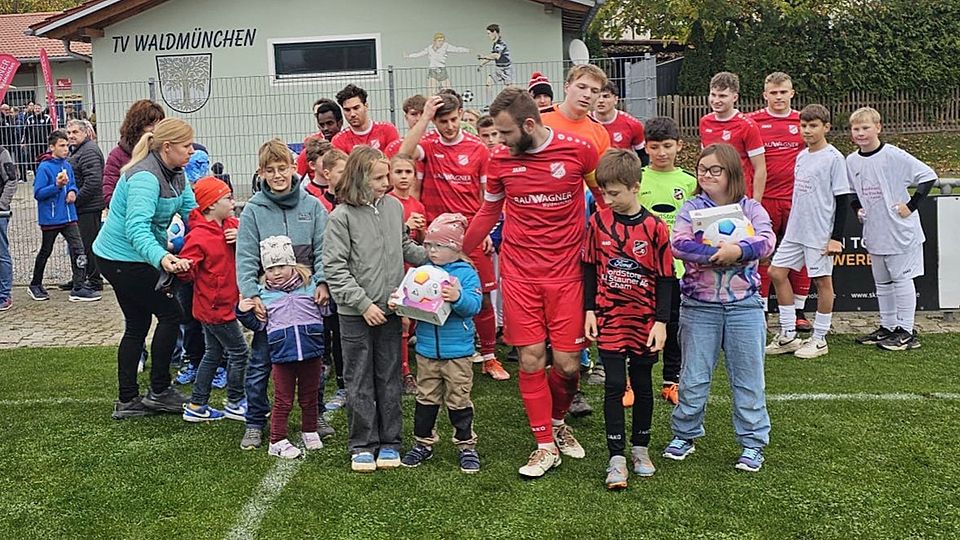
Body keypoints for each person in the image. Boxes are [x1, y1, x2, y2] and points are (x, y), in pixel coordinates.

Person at [462, 87, 603, 478]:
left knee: (569, 365)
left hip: (569, 273)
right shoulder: (499, 162)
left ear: (529, 125)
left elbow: (604, 201)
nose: (499, 142)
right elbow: (489, 210)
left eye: (505, 134)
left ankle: (558, 423)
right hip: (521, 274)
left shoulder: (579, 150)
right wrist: (460, 250)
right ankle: (543, 444)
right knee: (529, 359)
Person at [663, 143, 775, 473]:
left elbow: (766, 241)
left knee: (749, 380)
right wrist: (716, 253)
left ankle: (753, 443)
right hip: (699, 307)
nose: (707, 175)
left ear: (732, 174)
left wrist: (738, 251)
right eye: (702, 169)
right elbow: (679, 243)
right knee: (694, 378)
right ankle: (685, 434)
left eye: (715, 170)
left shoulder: (751, 208)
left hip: (745, 308)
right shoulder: (690, 208)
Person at [323, 146, 427, 473]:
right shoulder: (341, 217)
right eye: (380, 177)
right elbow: (335, 269)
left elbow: (404, 246)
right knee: (358, 379)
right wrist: (363, 303)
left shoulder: (395, 208)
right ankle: (362, 444)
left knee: (389, 377)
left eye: (387, 176)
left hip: (391, 310)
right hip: (355, 314)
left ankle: (391, 442)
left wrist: (438, 255)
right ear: (360, 178)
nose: (388, 183)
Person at [93, 118, 198, 419]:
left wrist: (223, 230)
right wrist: (162, 258)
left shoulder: (178, 173)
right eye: (186, 146)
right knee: (170, 315)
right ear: (167, 147)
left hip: (136, 257)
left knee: (137, 325)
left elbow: (193, 214)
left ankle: (128, 401)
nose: (192, 151)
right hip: (120, 259)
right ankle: (160, 392)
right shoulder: (145, 177)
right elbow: (135, 228)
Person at [399, 93, 507, 381]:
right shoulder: (429, 145)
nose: (449, 126)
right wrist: (424, 118)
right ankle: (430, 353)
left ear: (461, 114)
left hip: (471, 236)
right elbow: (402, 154)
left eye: (454, 119)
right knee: (429, 294)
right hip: (435, 239)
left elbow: (487, 198)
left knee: (481, 297)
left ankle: (488, 356)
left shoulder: (477, 149)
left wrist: (484, 232)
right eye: (442, 121)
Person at [583, 149, 674, 489]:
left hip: (644, 320)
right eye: (604, 192)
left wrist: (661, 322)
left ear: (635, 187)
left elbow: (667, 278)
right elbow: (589, 266)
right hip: (609, 318)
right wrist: (589, 309)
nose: (608, 199)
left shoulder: (654, 228)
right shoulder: (599, 222)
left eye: (615, 193)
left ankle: (640, 448)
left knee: (643, 384)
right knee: (614, 386)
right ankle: (616, 456)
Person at [236, 138, 330, 450]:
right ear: (261, 173)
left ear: (294, 168)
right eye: (270, 170)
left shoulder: (313, 206)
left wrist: (322, 282)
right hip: (271, 302)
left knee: (312, 357)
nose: (277, 175)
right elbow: (246, 257)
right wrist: (253, 295)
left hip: (306, 301)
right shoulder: (253, 210)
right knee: (262, 360)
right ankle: (254, 420)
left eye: (283, 168)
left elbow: (324, 251)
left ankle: (313, 417)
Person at [393, 213, 483, 473]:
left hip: (458, 352)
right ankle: (423, 443)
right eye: (428, 245)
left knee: (459, 400)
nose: (432, 251)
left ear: (454, 247)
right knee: (426, 400)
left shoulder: (466, 274)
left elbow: (473, 306)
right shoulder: (423, 272)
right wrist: (399, 301)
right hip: (427, 350)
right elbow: (411, 300)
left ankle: (466, 446)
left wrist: (457, 297)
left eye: (438, 246)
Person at [846, 107, 937, 351]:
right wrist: (857, 210)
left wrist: (911, 206)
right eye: (856, 129)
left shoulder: (894, 155)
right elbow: (853, 192)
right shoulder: (851, 160)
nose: (861, 133)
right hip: (875, 232)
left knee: (902, 278)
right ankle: (887, 326)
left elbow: (928, 176)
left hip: (900, 231)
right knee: (882, 281)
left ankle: (906, 330)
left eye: (866, 128)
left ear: (878, 128)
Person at [765, 105, 851, 359]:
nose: (807, 131)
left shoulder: (834, 158)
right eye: (803, 126)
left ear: (826, 127)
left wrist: (836, 238)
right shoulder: (802, 156)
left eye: (813, 126)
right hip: (795, 230)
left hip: (819, 233)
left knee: (823, 282)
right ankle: (789, 334)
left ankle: (820, 338)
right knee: (776, 273)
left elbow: (843, 200)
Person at [241, 236, 328, 459]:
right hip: (281, 355)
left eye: (281, 266)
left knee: (310, 396)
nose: (276, 272)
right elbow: (258, 324)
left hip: (312, 351)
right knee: (283, 399)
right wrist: (242, 311)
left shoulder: (311, 287)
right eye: (270, 268)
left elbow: (328, 312)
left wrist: (329, 297)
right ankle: (277, 440)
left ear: (293, 264)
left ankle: (309, 430)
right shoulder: (263, 295)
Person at [174, 177, 249, 422]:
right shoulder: (198, 236)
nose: (232, 201)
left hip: (221, 304)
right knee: (239, 353)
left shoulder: (232, 225)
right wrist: (183, 266)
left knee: (212, 353)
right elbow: (188, 270)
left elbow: (250, 242)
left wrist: (241, 238)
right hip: (215, 308)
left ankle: (197, 405)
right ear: (211, 204)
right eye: (227, 197)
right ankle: (236, 401)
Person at [634, 117, 696, 405]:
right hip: (642, 268)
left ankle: (672, 380)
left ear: (679, 146)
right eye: (655, 146)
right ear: (646, 147)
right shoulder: (637, 178)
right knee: (638, 325)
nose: (661, 153)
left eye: (667, 146)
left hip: (677, 269)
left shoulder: (690, 183)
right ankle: (635, 382)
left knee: (674, 326)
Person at [749, 72, 811, 328]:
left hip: (796, 200)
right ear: (765, 95)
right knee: (762, 255)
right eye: (773, 93)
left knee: (799, 254)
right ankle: (760, 309)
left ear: (792, 93)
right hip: (765, 200)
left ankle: (799, 312)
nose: (778, 97)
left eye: (783, 92)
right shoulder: (752, 121)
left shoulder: (803, 122)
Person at [28, 131, 99, 303]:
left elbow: (73, 183)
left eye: (67, 145)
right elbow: (38, 193)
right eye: (61, 145)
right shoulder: (44, 168)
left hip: (69, 216)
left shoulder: (67, 165)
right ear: (52, 147)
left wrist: (73, 192)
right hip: (51, 218)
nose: (66, 149)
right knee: (46, 250)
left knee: (79, 249)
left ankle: (79, 286)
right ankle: (35, 284)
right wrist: (57, 186)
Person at [388, 153, 427, 394]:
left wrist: (421, 231)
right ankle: (404, 373)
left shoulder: (417, 204)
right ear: (390, 175)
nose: (403, 177)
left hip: (413, 271)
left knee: (412, 321)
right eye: (398, 172)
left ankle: (408, 362)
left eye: (408, 172)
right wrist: (406, 227)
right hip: (394, 269)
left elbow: (421, 242)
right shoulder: (388, 202)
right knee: (402, 321)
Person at [698, 72, 767, 200]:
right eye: (713, 95)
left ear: (734, 97)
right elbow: (704, 159)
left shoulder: (747, 125)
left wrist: (756, 203)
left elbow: (760, 168)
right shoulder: (704, 122)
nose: (716, 100)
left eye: (723, 96)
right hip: (712, 195)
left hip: (738, 193)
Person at [64, 119, 105, 291]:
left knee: (88, 245)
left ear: (85, 132)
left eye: (75, 132)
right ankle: (79, 278)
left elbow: (93, 182)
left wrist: (76, 200)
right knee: (78, 245)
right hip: (81, 206)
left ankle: (94, 280)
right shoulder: (77, 151)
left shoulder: (89, 151)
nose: (71, 136)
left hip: (88, 207)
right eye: (69, 132)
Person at [103, 100, 165, 207]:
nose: (155, 130)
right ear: (136, 126)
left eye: (159, 125)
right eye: (150, 125)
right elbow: (109, 194)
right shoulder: (117, 155)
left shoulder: (164, 153)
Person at [540, 64, 611, 157]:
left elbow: (604, 170)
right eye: (581, 87)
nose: (587, 95)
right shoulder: (539, 120)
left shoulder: (600, 133)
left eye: (594, 91)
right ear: (567, 87)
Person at [330, 84, 400, 154]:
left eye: (356, 108)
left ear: (366, 106)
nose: (352, 114)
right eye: (347, 110)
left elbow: (396, 160)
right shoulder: (338, 141)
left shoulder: (387, 130)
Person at [593, 81, 647, 165]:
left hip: (621, 175)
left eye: (606, 96)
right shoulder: (584, 121)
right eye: (597, 96)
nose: (600, 100)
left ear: (616, 99)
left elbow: (643, 156)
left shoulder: (632, 124)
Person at [406, 33, 471, 94]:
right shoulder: (429, 48)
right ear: (435, 41)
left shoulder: (446, 46)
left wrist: (467, 50)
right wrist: (409, 56)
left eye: (442, 41)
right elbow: (420, 53)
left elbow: (457, 49)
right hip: (433, 70)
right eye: (439, 41)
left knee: (448, 90)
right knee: (432, 90)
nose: (441, 43)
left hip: (442, 70)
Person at [0, 144, 16, 311]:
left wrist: (2, 205)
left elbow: (11, 179)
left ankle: (4, 295)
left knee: (1, 254)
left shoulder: (2, 153)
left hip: (0, 215)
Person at [478, 23, 513, 99]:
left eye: (489, 33)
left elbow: (496, 56)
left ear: (494, 32)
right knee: (489, 82)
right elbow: (492, 55)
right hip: (498, 68)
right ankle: (489, 104)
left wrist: (483, 56)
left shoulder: (500, 44)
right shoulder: (495, 44)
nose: (488, 36)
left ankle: (509, 104)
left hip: (506, 69)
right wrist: (482, 64)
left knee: (508, 89)